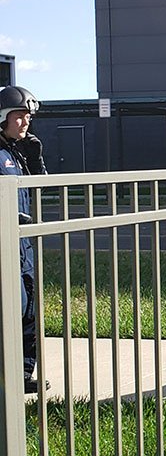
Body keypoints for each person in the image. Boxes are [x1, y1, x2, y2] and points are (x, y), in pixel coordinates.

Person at [0, 85, 47, 393]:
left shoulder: (19, 152)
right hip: (5, 242)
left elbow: (42, 188)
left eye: (28, 116)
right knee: (11, 310)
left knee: (28, 308)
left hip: (22, 244)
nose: (25, 121)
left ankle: (23, 374)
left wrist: (35, 160)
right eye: (19, 116)